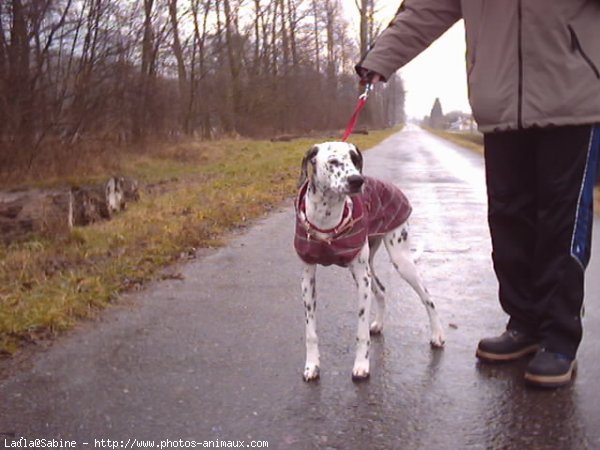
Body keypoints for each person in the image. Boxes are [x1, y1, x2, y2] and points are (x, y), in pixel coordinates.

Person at [355, 0, 600, 388]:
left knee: (562, 221)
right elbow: (425, 8)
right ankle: (523, 325)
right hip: (499, 102)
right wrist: (380, 58)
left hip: (573, 98)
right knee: (508, 219)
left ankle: (558, 339)